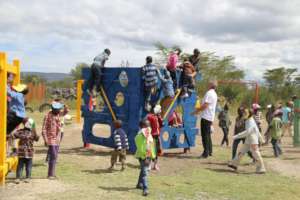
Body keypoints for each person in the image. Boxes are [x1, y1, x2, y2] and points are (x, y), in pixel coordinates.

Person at [228, 109, 266, 174]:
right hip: (248, 140)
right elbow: (256, 130)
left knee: (256, 153)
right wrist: (261, 139)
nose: (243, 114)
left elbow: (248, 132)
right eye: (243, 113)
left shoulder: (250, 121)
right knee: (241, 152)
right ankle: (234, 164)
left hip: (253, 140)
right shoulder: (249, 120)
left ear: (249, 114)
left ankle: (261, 168)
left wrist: (236, 136)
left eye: (245, 113)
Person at [192, 80, 218, 158]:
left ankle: (205, 153)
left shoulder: (209, 93)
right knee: (208, 135)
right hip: (209, 116)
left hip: (206, 116)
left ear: (210, 85)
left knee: (205, 135)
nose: (207, 84)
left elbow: (205, 105)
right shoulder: (214, 93)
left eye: (208, 83)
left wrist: (196, 111)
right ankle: (210, 151)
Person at [11, 118, 39, 183]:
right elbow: (37, 138)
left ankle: (18, 178)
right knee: (28, 166)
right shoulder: (32, 133)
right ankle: (27, 178)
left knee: (20, 166)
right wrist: (34, 130)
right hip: (29, 153)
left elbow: (13, 135)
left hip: (21, 153)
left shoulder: (20, 131)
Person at [42, 102, 63, 179]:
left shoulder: (58, 115)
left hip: (57, 139)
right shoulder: (47, 116)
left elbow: (65, 112)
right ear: (54, 109)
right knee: (53, 155)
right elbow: (43, 129)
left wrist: (66, 108)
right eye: (58, 109)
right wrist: (45, 139)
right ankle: (50, 174)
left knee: (55, 156)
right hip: (50, 139)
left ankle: (52, 174)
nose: (59, 110)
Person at [135, 119, 156, 196]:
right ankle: (145, 189)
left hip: (148, 156)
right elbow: (140, 148)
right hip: (143, 157)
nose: (149, 127)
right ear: (142, 126)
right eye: (147, 125)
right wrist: (146, 157)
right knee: (145, 173)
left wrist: (153, 156)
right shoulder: (140, 136)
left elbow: (151, 146)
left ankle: (139, 184)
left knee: (143, 171)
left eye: (149, 125)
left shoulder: (148, 135)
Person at [147, 105, 163, 170]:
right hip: (151, 136)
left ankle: (155, 165)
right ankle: (149, 165)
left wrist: (160, 118)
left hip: (157, 136)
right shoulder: (149, 116)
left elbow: (161, 124)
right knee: (151, 151)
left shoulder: (157, 117)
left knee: (156, 151)